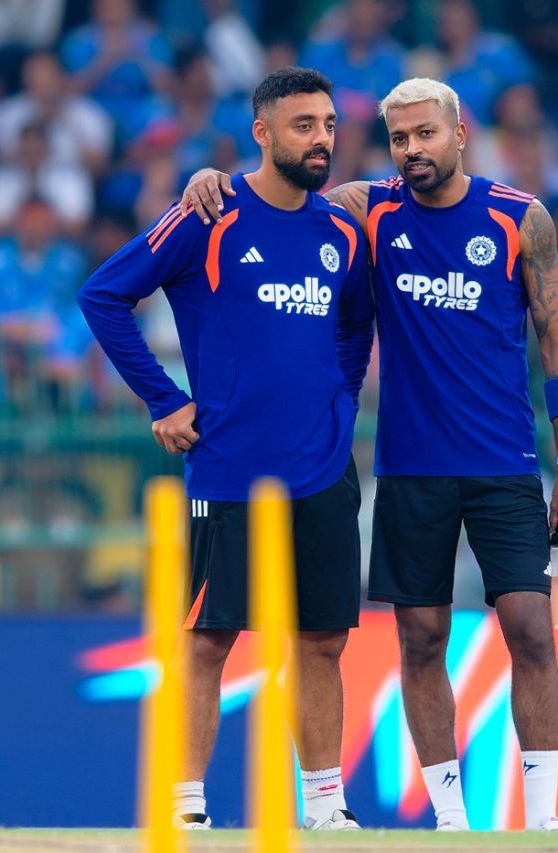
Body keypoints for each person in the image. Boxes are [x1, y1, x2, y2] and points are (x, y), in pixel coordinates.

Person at [182, 76, 558, 832]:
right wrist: (210, 182)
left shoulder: (519, 218)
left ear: (459, 133)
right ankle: (452, 820)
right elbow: (271, 194)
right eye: (399, 139)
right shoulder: (367, 212)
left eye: (426, 134)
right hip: (408, 467)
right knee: (421, 637)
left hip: (504, 463)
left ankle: (541, 820)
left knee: (531, 629)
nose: (412, 151)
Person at [78, 67, 374, 831]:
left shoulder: (341, 231)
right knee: (208, 638)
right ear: (263, 132)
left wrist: (339, 402)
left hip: (322, 467)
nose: (321, 138)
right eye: (303, 124)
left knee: (322, 640)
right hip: (230, 467)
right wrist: (165, 397)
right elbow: (103, 295)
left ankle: (324, 807)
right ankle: (184, 808)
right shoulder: (207, 211)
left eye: (329, 123)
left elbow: (353, 325)